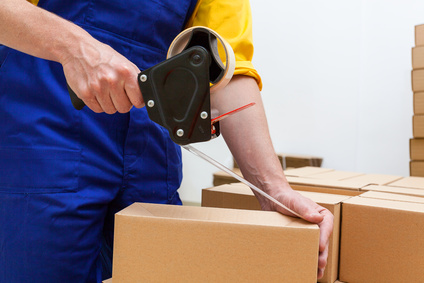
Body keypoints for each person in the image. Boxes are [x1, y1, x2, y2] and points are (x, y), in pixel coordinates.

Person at [0, 0, 333, 282]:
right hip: (44, 132)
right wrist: (74, 47)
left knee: (159, 268)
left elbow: (228, 68)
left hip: (151, 147)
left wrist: (274, 190)